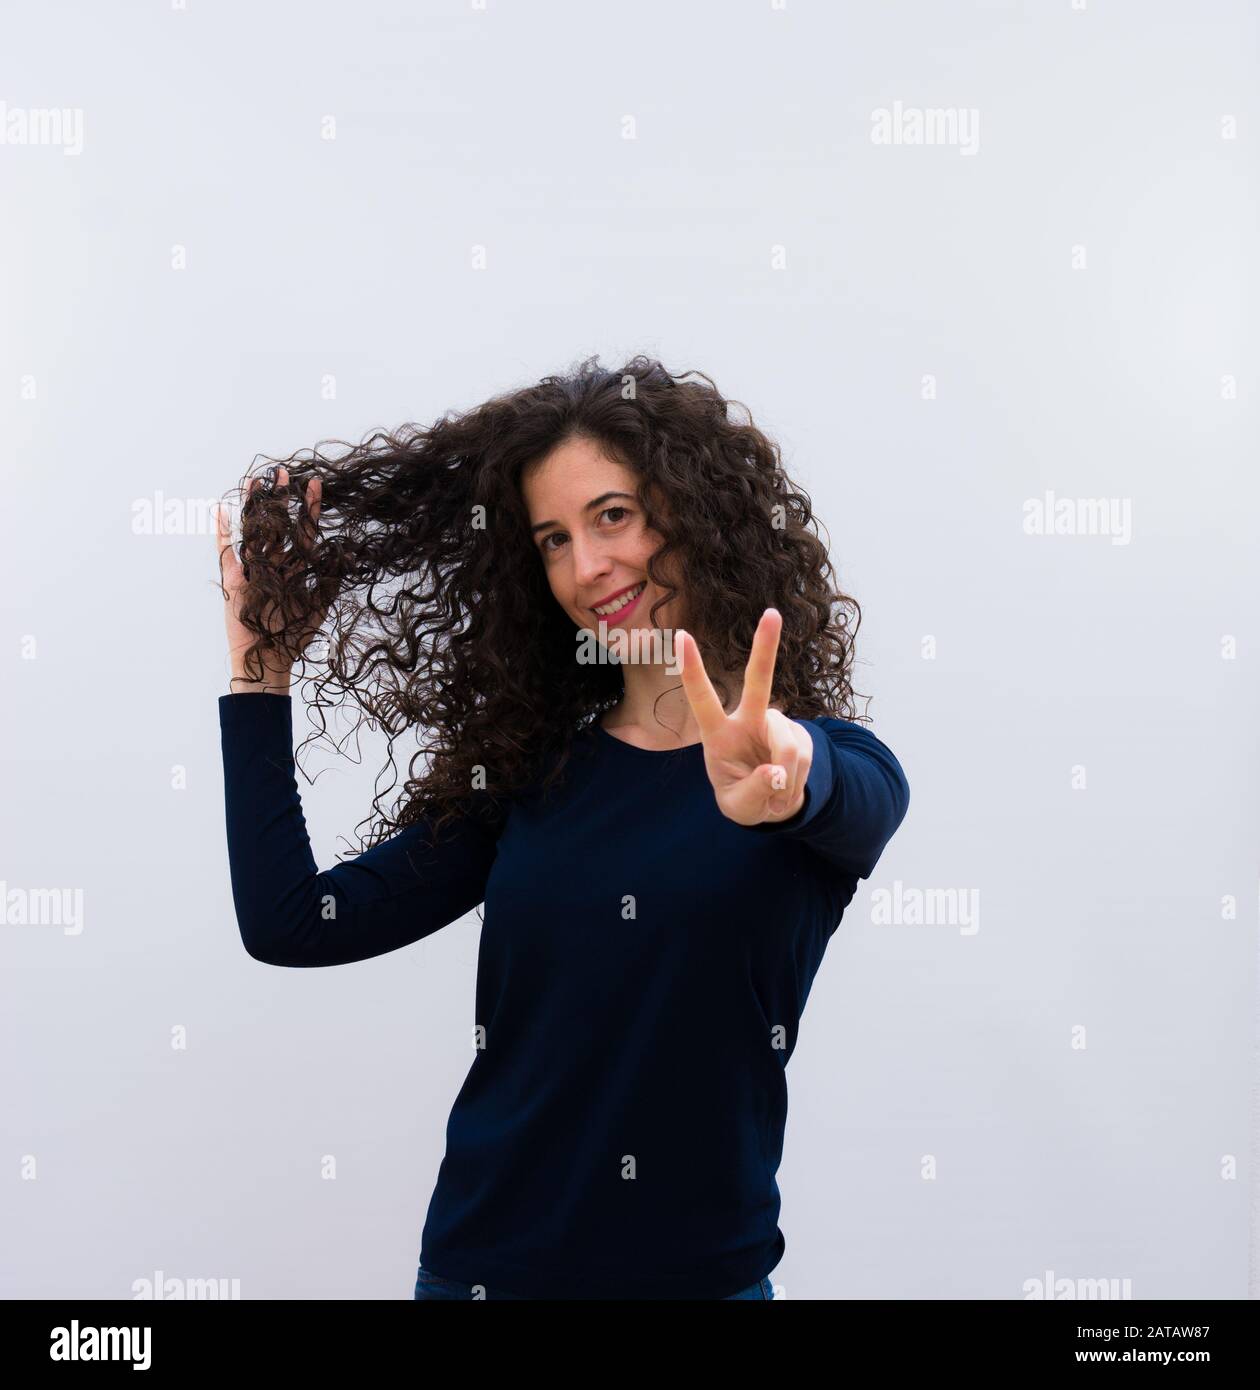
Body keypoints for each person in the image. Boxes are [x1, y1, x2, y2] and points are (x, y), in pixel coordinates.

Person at [212, 354, 910, 1300]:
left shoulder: (820, 769)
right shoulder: (531, 779)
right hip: (485, 1277)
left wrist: (789, 774)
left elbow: (854, 800)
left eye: (612, 515)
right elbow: (293, 923)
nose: (586, 567)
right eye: (551, 539)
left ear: (693, 509)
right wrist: (260, 672)